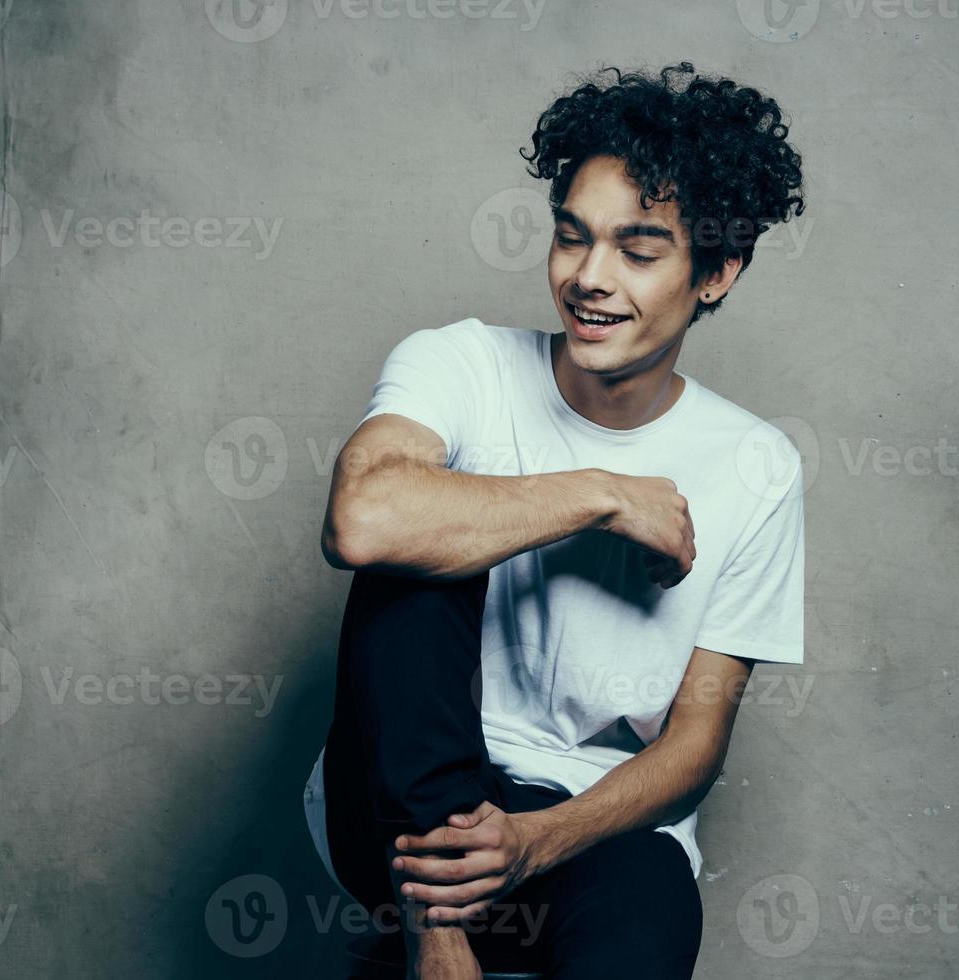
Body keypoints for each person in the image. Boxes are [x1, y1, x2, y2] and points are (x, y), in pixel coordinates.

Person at [317, 61, 808, 980]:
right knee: (426, 538)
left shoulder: (758, 466)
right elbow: (363, 522)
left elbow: (696, 744)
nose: (589, 278)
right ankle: (438, 932)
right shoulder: (461, 364)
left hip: (576, 827)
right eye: (571, 238)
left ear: (718, 271)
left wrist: (538, 840)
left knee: (654, 903)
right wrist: (604, 493)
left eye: (639, 249)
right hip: (394, 811)